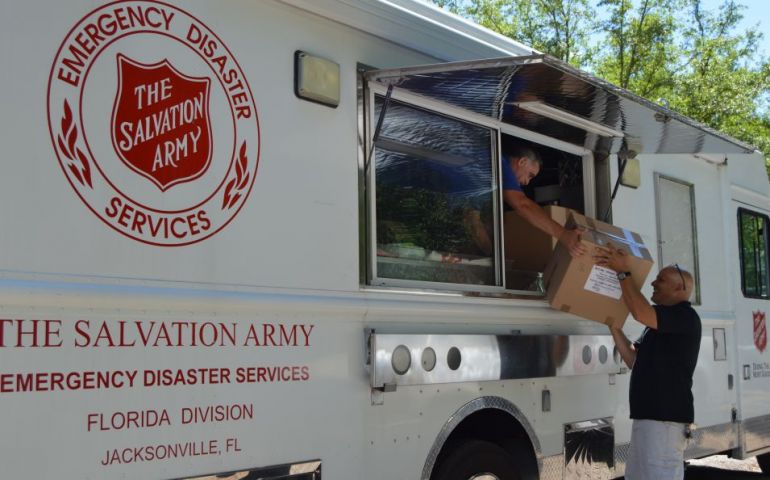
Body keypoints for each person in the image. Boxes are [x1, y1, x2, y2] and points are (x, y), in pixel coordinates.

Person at [595, 244, 701, 480]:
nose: (653, 284)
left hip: (664, 422)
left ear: (678, 288)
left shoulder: (685, 317)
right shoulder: (659, 325)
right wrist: (614, 327)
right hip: (649, 419)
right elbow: (635, 360)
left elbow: (640, 312)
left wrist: (623, 272)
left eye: (660, 280)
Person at [466, 145, 586, 258]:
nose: (526, 182)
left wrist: (491, 256)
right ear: (522, 161)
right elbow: (522, 204)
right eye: (530, 175)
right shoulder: (500, 164)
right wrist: (564, 235)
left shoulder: (486, 179)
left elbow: (472, 220)